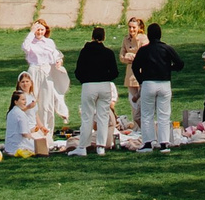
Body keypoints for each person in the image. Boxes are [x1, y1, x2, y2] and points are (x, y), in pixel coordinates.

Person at [132, 20, 182, 150]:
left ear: (148, 35)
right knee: (164, 114)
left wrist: (141, 80)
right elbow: (180, 63)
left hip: (148, 83)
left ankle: (148, 143)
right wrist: (168, 68)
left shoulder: (144, 50)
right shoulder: (166, 48)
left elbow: (135, 66)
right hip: (164, 83)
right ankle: (164, 143)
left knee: (147, 114)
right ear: (160, 35)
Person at [72, 26, 120, 156]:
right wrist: (106, 78)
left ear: (92, 36)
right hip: (104, 85)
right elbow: (115, 72)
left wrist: (85, 80)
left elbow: (78, 71)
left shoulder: (85, 52)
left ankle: (82, 147)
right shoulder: (108, 52)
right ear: (103, 37)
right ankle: (101, 147)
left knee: (87, 117)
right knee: (103, 117)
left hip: (89, 85)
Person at [21, 19, 70, 131]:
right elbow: (25, 47)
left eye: (42, 30)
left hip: (46, 72)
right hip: (34, 71)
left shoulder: (49, 42)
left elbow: (56, 55)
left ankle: (47, 130)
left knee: (47, 102)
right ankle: (31, 128)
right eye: (38, 30)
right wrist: (31, 32)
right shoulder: (30, 41)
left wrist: (59, 61)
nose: (39, 32)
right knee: (31, 98)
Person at [3, 75, 37, 157]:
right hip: (17, 146)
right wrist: (34, 139)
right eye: (22, 100)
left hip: (10, 146)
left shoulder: (12, 112)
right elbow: (24, 133)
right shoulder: (20, 114)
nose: (25, 102)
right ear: (15, 102)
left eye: (25, 99)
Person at [120, 15, 147, 112]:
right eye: (130, 27)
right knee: (133, 101)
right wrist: (128, 57)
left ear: (139, 28)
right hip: (130, 73)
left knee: (142, 100)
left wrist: (131, 56)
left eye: (134, 27)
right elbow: (122, 57)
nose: (131, 29)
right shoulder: (126, 39)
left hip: (141, 72)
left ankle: (143, 124)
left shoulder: (143, 39)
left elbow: (144, 56)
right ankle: (136, 124)